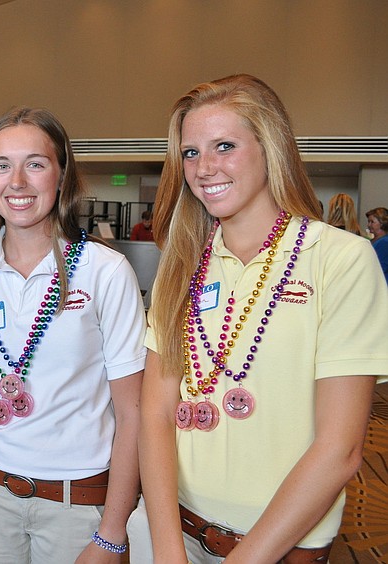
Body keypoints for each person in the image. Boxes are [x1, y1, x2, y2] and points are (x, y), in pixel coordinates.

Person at [128, 74, 388, 563]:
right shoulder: (182, 264)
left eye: (224, 146)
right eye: (190, 153)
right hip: (175, 530)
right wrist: (165, 548)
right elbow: (157, 413)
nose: (205, 168)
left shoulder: (339, 259)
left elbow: (341, 449)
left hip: (280, 548)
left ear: (271, 148)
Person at [0, 107, 147, 564]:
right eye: (1, 165)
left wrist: (112, 534)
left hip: (79, 507)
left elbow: (133, 413)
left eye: (35, 163)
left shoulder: (105, 271)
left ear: (62, 174)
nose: (17, 181)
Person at [366, 206, 388, 284]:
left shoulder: (385, 243)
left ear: (382, 223)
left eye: (372, 222)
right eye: (368, 222)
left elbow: (380, 267)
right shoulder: (370, 240)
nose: (368, 225)